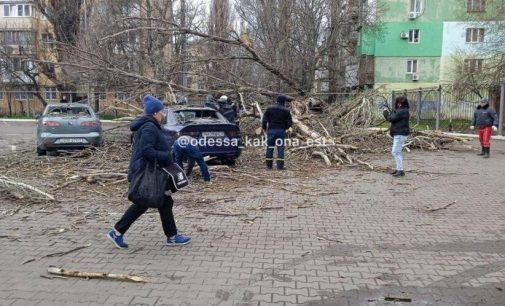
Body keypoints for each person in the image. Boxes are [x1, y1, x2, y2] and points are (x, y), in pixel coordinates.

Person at [107, 95, 191, 249]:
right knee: (144, 202)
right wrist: (167, 155)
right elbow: (147, 151)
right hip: (148, 172)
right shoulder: (149, 127)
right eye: (162, 111)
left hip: (151, 171)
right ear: (155, 113)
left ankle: (171, 236)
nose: (163, 114)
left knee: (163, 202)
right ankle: (117, 231)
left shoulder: (149, 125)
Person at [262, 95, 293, 170]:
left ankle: (269, 166)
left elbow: (264, 119)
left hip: (271, 130)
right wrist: (285, 127)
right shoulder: (286, 110)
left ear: (277, 100)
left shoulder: (269, 108)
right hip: (281, 131)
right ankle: (280, 167)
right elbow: (290, 123)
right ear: (284, 101)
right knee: (280, 148)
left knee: (270, 147)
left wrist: (264, 128)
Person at [383, 96, 410, 177]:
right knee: (397, 152)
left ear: (400, 103)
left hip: (400, 134)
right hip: (400, 133)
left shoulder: (402, 111)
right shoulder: (403, 110)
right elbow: (394, 116)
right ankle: (399, 169)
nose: (397, 104)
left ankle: (400, 171)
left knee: (396, 152)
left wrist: (385, 112)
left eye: (398, 102)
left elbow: (391, 118)